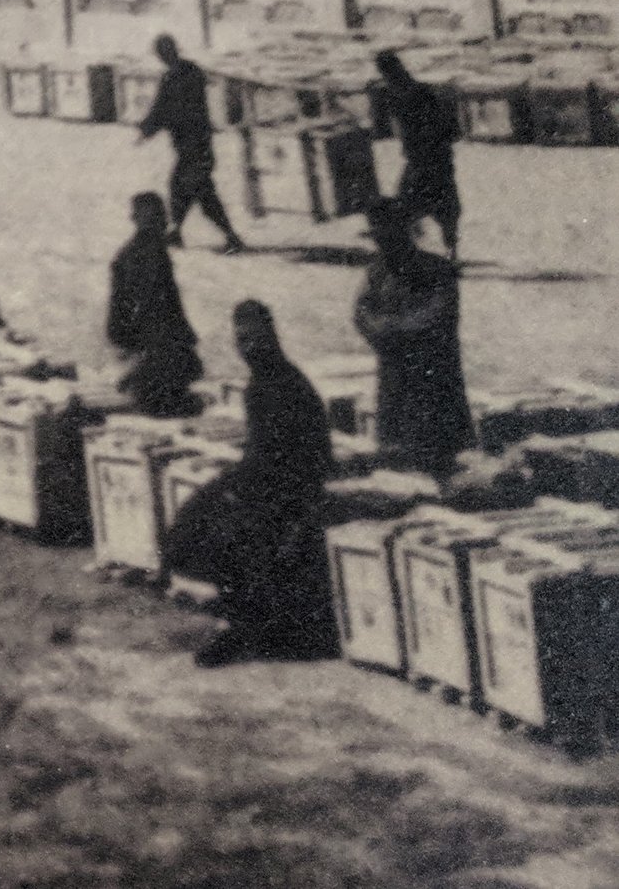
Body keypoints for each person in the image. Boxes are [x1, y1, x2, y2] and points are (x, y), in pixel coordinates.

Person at [186, 301, 338, 667]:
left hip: (293, 492)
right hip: (276, 484)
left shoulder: (280, 383)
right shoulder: (267, 381)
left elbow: (286, 457)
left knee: (214, 525)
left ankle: (244, 625)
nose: (249, 347)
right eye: (243, 340)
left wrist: (233, 484)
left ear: (272, 337)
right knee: (203, 514)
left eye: (256, 339)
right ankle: (243, 614)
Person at [354, 197, 473, 477]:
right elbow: (361, 314)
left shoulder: (438, 271)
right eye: (378, 238)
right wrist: (385, 329)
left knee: (440, 459)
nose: (382, 245)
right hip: (394, 381)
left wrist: (388, 329)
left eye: (387, 236)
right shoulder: (377, 272)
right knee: (396, 457)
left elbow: (434, 316)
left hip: (433, 384)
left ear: (404, 233)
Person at [136, 34, 243, 254]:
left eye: (161, 53)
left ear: (167, 53)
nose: (161, 58)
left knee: (200, 194)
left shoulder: (177, 77)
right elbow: (163, 108)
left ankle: (231, 237)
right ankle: (176, 232)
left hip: (193, 145)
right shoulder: (189, 72)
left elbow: (165, 109)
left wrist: (148, 129)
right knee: (182, 188)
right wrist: (149, 128)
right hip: (195, 144)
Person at [106, 192, 205, 417]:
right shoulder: (147, 256)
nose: (164, 224)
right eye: (159, 219)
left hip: (145, 350)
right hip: (152, 352)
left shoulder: (135, 252)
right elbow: (154, 310)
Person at [376, 50, 460, 259]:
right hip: (435, 158)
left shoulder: (401, 96)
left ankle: (413, 252)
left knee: (409, 204)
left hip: (424, 160)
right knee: (443, 203)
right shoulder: (418, 91)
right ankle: (449, 248)